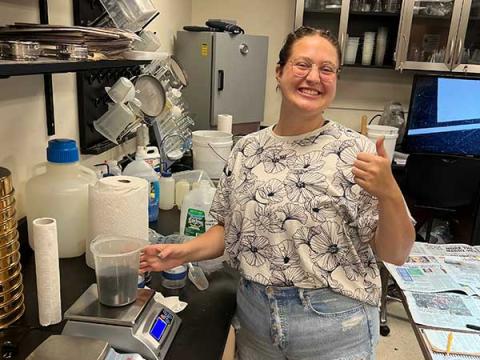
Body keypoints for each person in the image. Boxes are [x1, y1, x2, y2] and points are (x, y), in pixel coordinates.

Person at [140, 26, 415, 359]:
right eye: (303, 65)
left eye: (326, 69)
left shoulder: (357, 151)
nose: (313, 76)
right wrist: (179, 252)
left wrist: (390, 194)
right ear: (280, 71)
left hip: (333, 326)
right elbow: (227, 232)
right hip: (256, 320)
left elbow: (396, 253)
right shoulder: (247, 150)